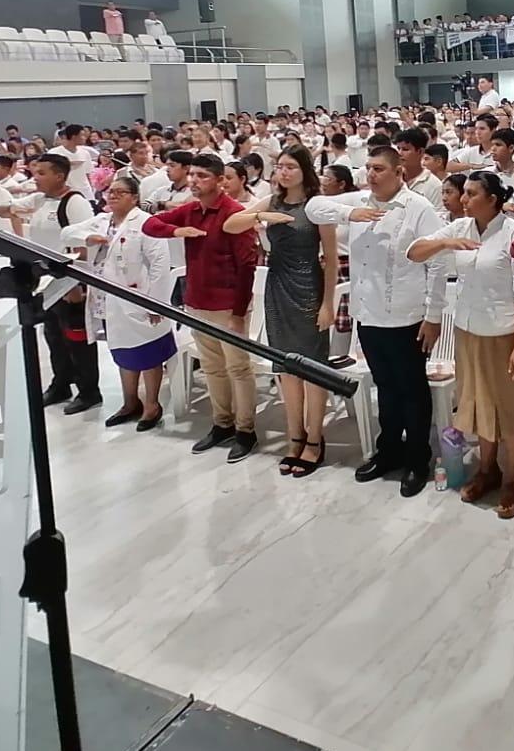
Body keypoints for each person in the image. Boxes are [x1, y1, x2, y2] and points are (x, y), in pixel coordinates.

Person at [306, 145, 448, 496]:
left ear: (399, 172)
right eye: (368, 167)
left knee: (412, 390)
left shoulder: (418, 207)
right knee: (384, 387)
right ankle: (389, 450)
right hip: (368, 314)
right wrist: (349, 212)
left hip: (407, 316)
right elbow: (313, 207)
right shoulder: (359, 201)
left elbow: (438, 262)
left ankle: (417, 458)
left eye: (379, 169)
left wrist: (433, 316)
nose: (371, 174)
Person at [408, 172, 514, 518]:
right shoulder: (459, 228)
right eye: (462, 192)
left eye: (472, 193)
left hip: (505, 334)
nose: (463, 199)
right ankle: (487, 469)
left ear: (493, 199)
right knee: (479, 403)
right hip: (468, 330)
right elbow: (414, 252)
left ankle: (513, 478)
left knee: (510, 407)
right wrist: (445, 243)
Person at [223, 146, 339, 476]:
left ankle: (314, 439)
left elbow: (331, 260)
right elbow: (230, 225)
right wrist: (261, 217)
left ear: (305, 170)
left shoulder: (316, 205)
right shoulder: (271, 202)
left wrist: (328, 304)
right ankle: (295, 436)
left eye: (291, 167)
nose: (284, 172)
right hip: (278, 288)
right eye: (280, 167)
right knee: (286, 369)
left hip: (309, 288)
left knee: (312, 370)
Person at [142, 153, 261, 460]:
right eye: (192, 175)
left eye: (202, 176)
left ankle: (246, 430)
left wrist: (238, 313)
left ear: (220, 181)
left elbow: (247, 266)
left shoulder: (235, 213)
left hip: (227, 307)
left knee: (238, 368)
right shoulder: (191, 210)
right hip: (197, 302)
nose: (194, 181)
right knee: (212, 367)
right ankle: (222, 423)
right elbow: (150, 225)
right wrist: (176, 231)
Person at [62, 174, 177, 431]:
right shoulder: (102, 221)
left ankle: (152, 405)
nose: (112, 195)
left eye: (120, 192)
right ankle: (130, 402)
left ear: (134, 198)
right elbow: (67, 233)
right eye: (110, 191)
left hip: (141, 299)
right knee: (123, 352)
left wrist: (156, 304)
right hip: (107, 300)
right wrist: (88, 239)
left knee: (149, 353)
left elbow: (160, 266)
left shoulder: (147, 223)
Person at [9, 153, 104, 413]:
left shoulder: (75, 202)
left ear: (59, 176)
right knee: (53, 336)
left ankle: (89, 391)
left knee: (77, 339)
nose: (36, 178)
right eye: (35, 172)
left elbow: (84, 246)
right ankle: (61, 383)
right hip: (45, 279)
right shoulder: (40, 200)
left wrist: (75, 284)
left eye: (42, 173)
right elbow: (10, 209)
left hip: (69, 282)